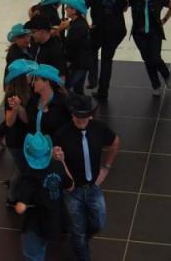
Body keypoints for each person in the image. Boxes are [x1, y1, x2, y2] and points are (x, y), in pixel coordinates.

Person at [53, 94, 120, 261]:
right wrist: (56, 156)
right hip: (72, 190)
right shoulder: (62, 133)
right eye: (77, 117)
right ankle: (82, 249)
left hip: (93, 186)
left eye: (84, 117)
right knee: (77, 230)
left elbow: (115, 141)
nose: (80, 121)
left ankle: (81, 237)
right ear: (72, 114)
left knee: (98, 223)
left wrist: (106, 167)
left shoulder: (99, 128)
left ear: (91, 115)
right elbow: (55, 159)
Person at [14, 127, 74, 261]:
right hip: (56, 219)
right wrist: (61, 160)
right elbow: (70, 186)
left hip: (37, 223)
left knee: (33, 255)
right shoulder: (57, 166)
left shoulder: (28, 176)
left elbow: (20, 207)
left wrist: (19, 204)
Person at [83, 0, 128, 101]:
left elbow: (82, 7)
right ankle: (103, 92)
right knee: (107, 60)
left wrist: (86, 24)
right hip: (115, 32)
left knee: (91, 52)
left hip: (97, 30)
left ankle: (92, 80)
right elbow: (125, 8)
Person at [127, 0, 171, 96]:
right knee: (148, 60)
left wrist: (164, 20)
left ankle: (166, 74)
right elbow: (124, 7)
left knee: (155, 58)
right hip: (139, 34)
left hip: (154, 32)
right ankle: (155, 85)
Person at [2, 59, 38, 202]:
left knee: (21, 167)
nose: (31, 75)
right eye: (28, 73)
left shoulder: (29, 90)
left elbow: (27, 119)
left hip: (25, 137)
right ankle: (12, 197)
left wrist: (21, 109)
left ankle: (13, 185)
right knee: (22, 168)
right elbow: (9, 122)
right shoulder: (12, 95)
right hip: (16, 140)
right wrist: (16, 108)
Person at [17, 65, 70, 138]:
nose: (33, 83)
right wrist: (18, 107)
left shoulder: (61, 102)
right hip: (35, 146)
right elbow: (28, 120)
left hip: (54, 147)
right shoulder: (33, 100)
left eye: (36, 79)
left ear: (46, 82)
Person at [60, 0, 91, 95]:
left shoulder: (78, 27)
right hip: (81, 62)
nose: (66, 9)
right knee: (78, 88)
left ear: (74, 10)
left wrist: (60, 32)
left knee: (68, 87)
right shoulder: (77, 23)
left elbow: (71, 46)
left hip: (79, 63)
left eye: (68, 7)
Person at [25, 16, 66, 81]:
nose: (31, 35)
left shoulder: (54, 50)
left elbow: (61, 76)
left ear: (43, 31)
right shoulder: (36, 43)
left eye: (33, 32)